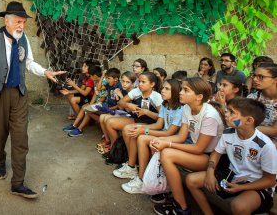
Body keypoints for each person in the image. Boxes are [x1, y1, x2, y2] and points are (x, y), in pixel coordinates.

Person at [0, 1, 65, 199]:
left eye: (23, 22)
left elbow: (29, 62)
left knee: (20, 138)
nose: (21, 26)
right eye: (18, 22)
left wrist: (45, 71)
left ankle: (18, 183)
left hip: (19, 94)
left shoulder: (24, 40)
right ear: (7, 21)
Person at [186, 97, 277, 215]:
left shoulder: (265, 146)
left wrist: (241, 188)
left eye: (232, 112)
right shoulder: (228, 133)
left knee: (239, 206)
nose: (226, 114)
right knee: (191, 180)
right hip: (232, 175)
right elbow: (216, 154)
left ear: (249, 120)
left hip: (256, 185)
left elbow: (269, 181)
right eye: (227, 110)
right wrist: (210, 171)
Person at [150, 77, 224, 214]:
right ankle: (168, 193)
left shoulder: (209, 115)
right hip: (198, 153)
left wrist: (168, 144)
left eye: (186, 90)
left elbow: (199, 148)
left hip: (212, 159)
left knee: (167, 153)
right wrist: (159, 139)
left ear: (199, 97)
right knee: (158, 143)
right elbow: (181, 137)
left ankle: (181, 207)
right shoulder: (187, 108)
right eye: (182, 89)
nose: (180, 93)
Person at [114, 79, 183, 188]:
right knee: (133, 130)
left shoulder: (180, 109)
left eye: (167, 89)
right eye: (163, 88)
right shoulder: (166, 105)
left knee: (141, 137)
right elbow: (159, 125)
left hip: (171, 137)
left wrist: (144, 131)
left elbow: (169, 132)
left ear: (175, 92)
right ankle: (132, 167)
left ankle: (142, 179)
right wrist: (140, 127)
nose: (163, 91)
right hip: (163, 133)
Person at [247, 62, 277, 147]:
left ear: (275, 80)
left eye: (261, 77)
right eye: (254, 75)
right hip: (253, 140)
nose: (255, 79)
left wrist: (246, 128)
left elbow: (275, 131)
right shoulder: (252, 98)